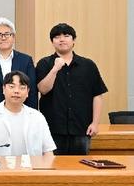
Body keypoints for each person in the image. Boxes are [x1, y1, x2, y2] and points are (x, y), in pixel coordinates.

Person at [36, 23, 108, 155]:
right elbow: (43, 89)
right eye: (57, 37)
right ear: (52, 42)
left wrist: (95, 123)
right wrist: (55, 69)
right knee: (52, 166)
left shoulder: (88, 65)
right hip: (52, 129)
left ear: (74, 40)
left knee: (80, 166)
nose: (62, 39)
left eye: (66, 36)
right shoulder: (44, 63)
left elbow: (97, 95)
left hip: (81, 128)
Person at [0, 71, 56, 156]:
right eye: (11, 86)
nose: (16, 91)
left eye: (22, 87)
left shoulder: (37, 117)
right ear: (3, 89)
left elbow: (48, 150)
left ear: (27, 92)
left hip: (31, 164)